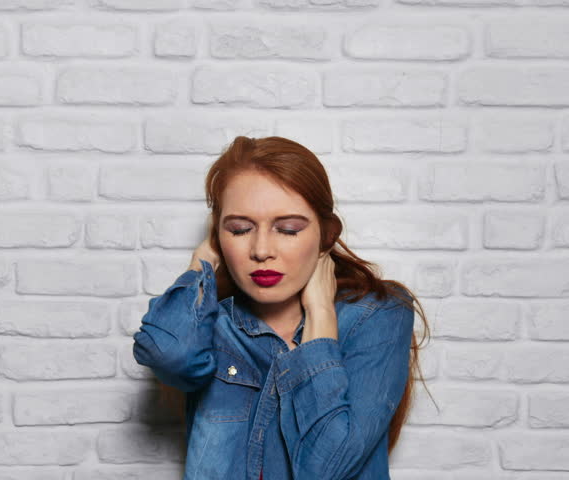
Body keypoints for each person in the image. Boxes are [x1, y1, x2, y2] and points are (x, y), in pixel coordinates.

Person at [132, 136, 433, 479]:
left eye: (287, 229)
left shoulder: (377, 315)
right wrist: (201, 263)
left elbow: (327, 468)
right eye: (240, 229)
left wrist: (321, 315)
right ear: (217, 236)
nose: (262, 250)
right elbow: (168, 355)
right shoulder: (211, 325)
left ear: (327, 234)